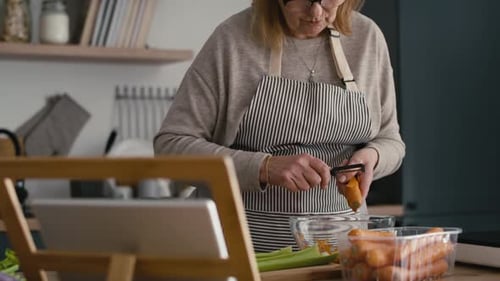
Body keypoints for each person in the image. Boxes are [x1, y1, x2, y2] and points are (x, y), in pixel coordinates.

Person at [154, 0, 405, 252]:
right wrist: (262, 167)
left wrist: (373, 157)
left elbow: (390, 140)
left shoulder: (367, 37)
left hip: (343, 252)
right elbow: (170, 148)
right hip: (240, 250)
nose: (317, 12)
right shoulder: (232, 40)